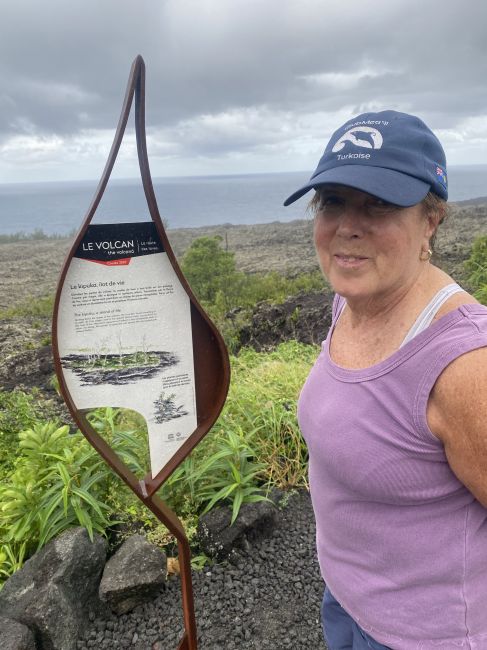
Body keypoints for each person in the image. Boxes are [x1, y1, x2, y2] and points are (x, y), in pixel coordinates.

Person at [283, 110, 487, 649]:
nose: (349, 225)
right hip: (348, 601)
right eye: (333, 200)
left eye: (380, 202)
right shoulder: (351, 301)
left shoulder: (465, 366)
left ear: (431, 221)